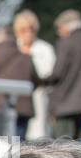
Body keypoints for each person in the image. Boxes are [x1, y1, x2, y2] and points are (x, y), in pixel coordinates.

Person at [43, 9, 81, 138]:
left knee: (63, 148)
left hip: (65, 105)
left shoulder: (66, 43)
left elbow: (58, 73)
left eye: (59, 28)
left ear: (67, 26)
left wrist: (41, 80)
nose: (59, 32)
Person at [0, 26, 34, 139]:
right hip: (23, 108)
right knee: (19, 149)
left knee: (0, 149)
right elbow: (35, 81)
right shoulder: (26, 57)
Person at [14, 9, 54, 139]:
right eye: (23, 30)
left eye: (31, 29)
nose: (28, 33)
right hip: (16, 101)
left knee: (37, 137)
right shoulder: (13, 48)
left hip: (38, 99)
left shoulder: (45, 49)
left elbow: (49, 74)